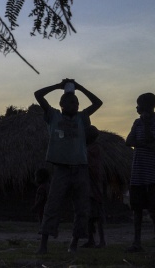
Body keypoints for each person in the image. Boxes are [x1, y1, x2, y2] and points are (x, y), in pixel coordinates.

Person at [33, 78, 103, 254]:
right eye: (71, 102)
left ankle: (74, 243)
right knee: (52, 205)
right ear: (62, 104)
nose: (76, 105)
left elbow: (98, 102)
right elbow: (38, 95)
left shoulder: (82, 118)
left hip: (80, 168)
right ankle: (43, 244)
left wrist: (80, 87)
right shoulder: (53, 116)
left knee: (82, 208)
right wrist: (58, 86)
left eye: (77, 102)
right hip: (61, 169)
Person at [125, 92, 155, 251]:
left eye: (139, 104)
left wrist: (147, 126)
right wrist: (147, 145)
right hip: (138, 173)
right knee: (137, 210)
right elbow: (129, 142)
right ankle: (137, 242)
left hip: (154, 174)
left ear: (147, 106)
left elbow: (154, 140)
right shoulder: (136, 123)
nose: (136, 107)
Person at [83, 126, 106, 248]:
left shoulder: (94, 149)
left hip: (94, 186)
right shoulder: (89, 149)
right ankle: (91, 239)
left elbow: (92, 166)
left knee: (97, 216)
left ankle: (102, 240)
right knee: (89, 216)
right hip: (89, 186)